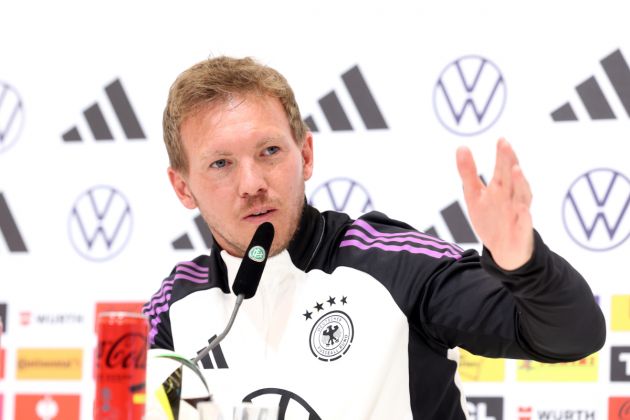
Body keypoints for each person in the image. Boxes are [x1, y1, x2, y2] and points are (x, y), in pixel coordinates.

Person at [143, 56, 605, 419]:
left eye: (269, 151)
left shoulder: (393, 266)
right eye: (221, 163)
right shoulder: (175, 304)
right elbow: (145, 400)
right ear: (183, 187)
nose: (252, 183)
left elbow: (573, 335)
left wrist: (522, 263)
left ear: (305, 155)